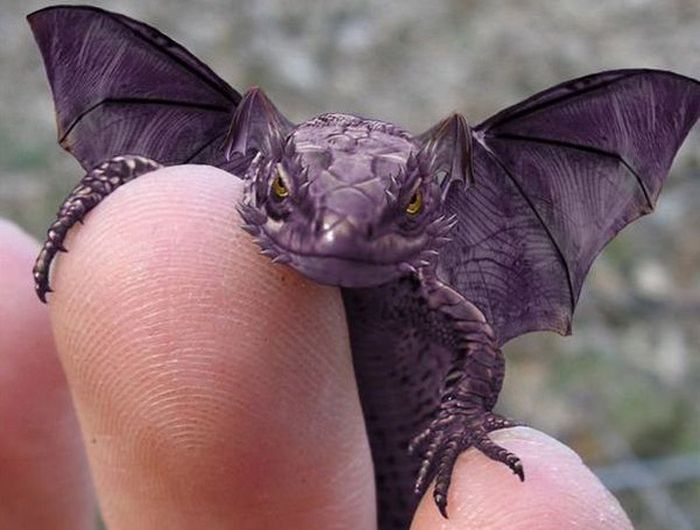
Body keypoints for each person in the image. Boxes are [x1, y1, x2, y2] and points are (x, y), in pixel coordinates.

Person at [0, 165, 632, 529]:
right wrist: (127, 181)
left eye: (408, 206)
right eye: (285, 195)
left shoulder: (426, 281)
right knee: (175, 206)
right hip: (311, 439)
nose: (337, 233)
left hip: (397, 459)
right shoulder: (243, 186)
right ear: (267, 179)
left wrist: (464, 417)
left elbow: (478, 340)